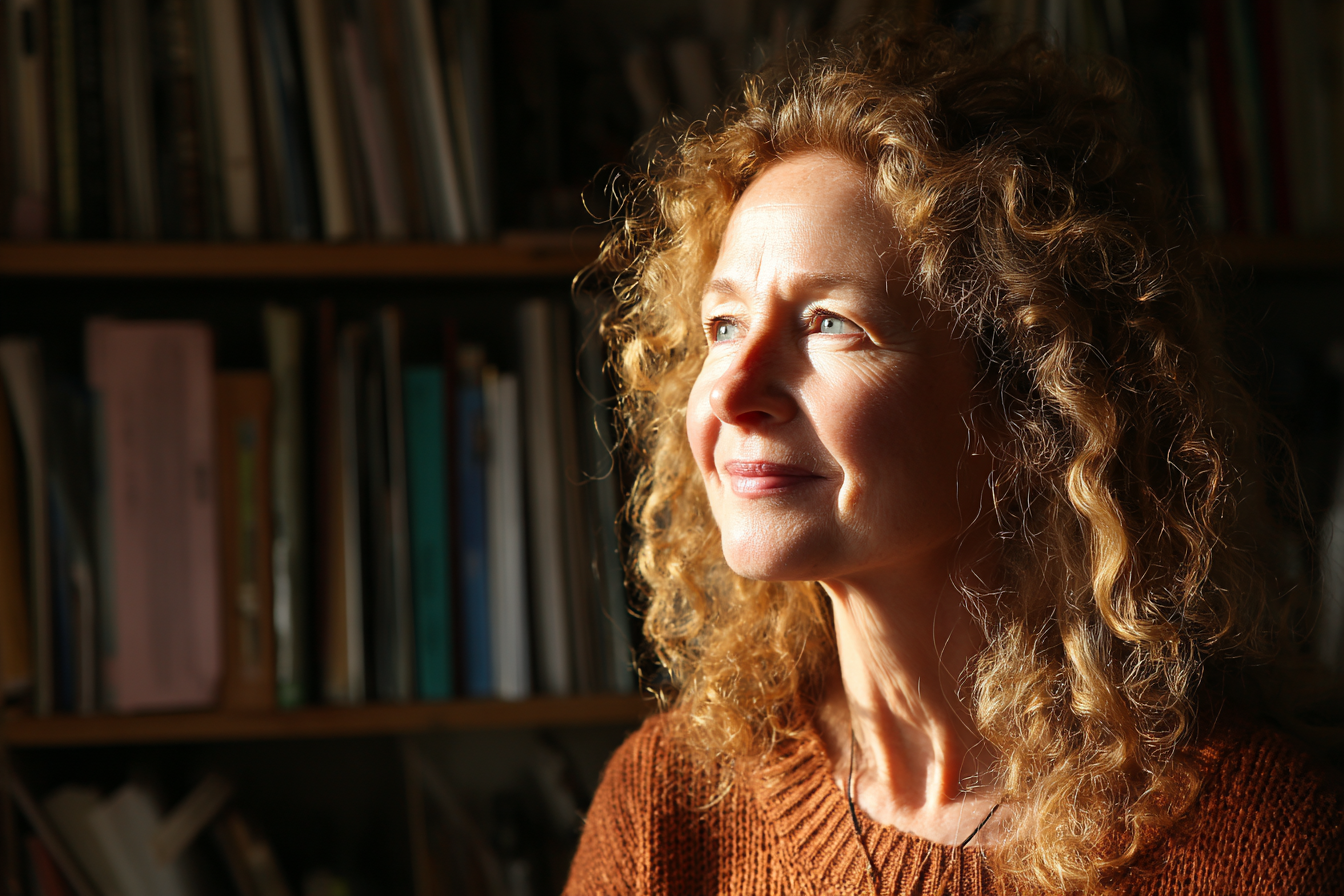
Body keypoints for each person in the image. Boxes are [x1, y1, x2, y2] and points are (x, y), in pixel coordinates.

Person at [565, 22, 1344, 896]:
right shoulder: (667, 805)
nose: (732, 391)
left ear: (1032, 407)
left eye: (830, 324)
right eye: (724, 325)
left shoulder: (1260, 844)